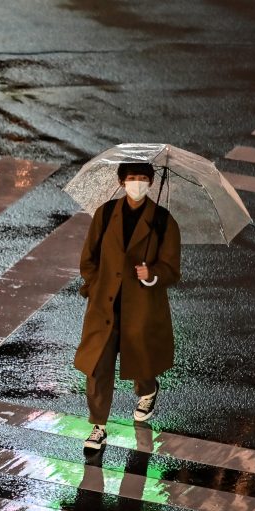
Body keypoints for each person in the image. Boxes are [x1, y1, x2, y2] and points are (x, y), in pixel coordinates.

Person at [75, 162, 181, 451]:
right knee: (98, 366)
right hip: (105, 307)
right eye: (132, 178)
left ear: (150, 182)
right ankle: (98, 426)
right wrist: (95, 286)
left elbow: (171, 268)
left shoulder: (163, 221)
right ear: (122, 182)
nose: (138, 184)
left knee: (140, 363)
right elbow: (89, 258)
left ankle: (148, 390)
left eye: (143, 179)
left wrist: (152, 274)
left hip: (142, 308)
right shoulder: (106, 214)